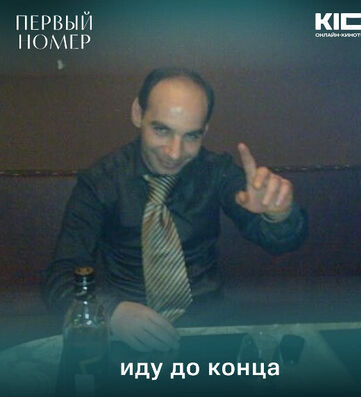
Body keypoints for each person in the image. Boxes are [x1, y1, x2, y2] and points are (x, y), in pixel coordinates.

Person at [42, 67, 307, 353]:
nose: (175, 152)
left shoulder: (216, 170)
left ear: (205, 131)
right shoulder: (101, 181)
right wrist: (112, 312)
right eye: (162, 130)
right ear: (138, 114)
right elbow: (60, 277)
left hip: (211, 326)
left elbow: (281, 242)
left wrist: (279, 215)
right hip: (127, 334)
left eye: (191, 136)